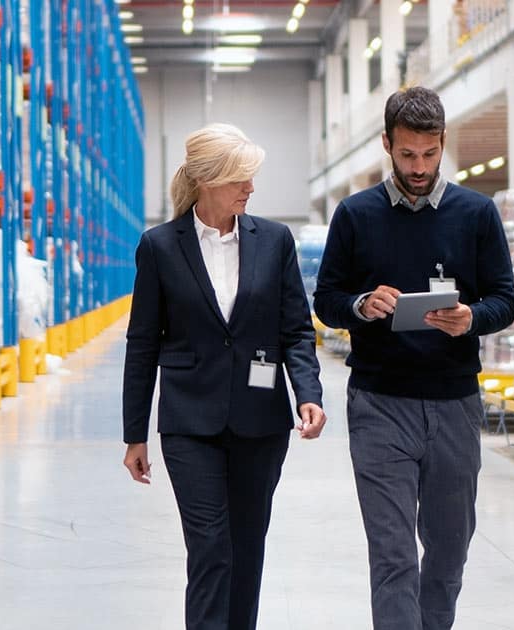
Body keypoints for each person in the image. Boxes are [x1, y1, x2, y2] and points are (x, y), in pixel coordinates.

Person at [313, 86, 514, 630]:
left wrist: (471, 317)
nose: (420, 167)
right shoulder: (355, 215)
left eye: (430, 154)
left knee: (449, 552)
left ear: (443, 144)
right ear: (387, 144)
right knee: (393, 555)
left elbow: (505, 298)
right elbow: (327, 299)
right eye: (407, 155)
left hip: (454, 404)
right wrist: (362, 304)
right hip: (380, 405)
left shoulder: (475, 213)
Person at [120, 123, 327, 630]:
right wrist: (134, 435)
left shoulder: (274, 241)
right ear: (210, 180)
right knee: (211, 548)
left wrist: (309, 394)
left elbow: (296, 330)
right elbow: (142, 343)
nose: (250, 188)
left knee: (246, 548)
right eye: (241, 178)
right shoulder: (160, 247)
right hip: (190, 422)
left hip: (261, 423)